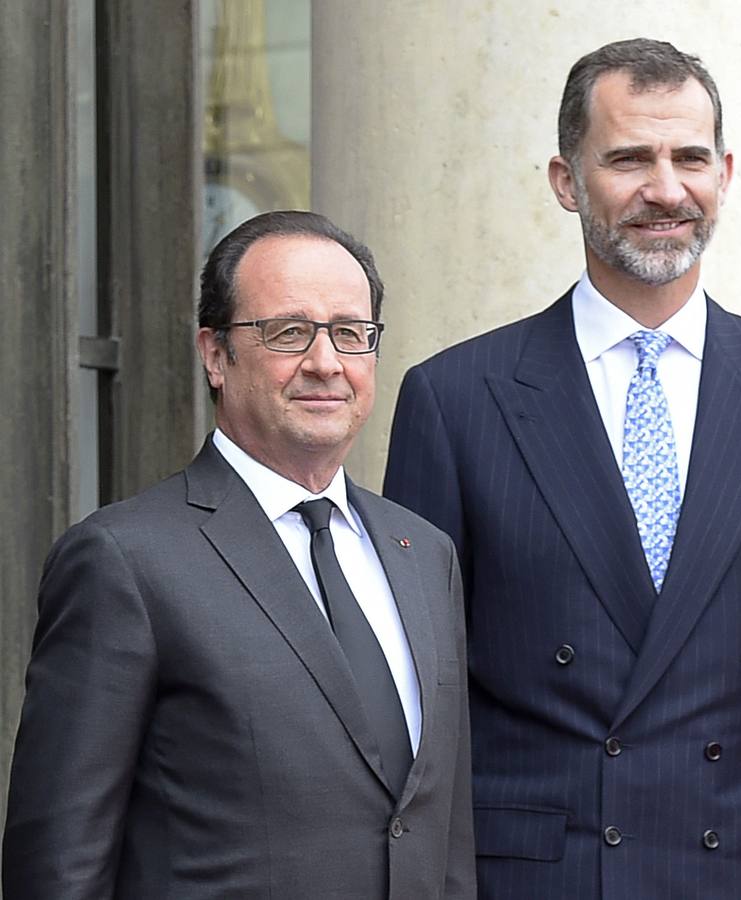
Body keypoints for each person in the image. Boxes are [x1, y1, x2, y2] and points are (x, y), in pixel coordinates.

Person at [383, 37, 741, 900]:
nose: (665, 188)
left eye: (689, 157)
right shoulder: (455, 398)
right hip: (540, 878)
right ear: (566, 180)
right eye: (628, 159)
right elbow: (421, 702)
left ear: (724, 173)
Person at [2, 211, 475, 899]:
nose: (325, 362)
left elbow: (442, 834)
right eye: (288, 332)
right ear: (215, 354)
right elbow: (58, 866)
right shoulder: (124, 561)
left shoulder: (425, 555)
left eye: (351, 333)